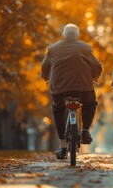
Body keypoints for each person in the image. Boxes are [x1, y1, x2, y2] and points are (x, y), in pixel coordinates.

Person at [41, 23, 102, 159]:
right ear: (77, 36)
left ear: (63, 36)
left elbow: (44, 67)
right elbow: (97, 65)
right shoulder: (85, 48)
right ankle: (85, 130)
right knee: (90, 103)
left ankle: (63, 146)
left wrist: (46, 78)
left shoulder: (52, 49)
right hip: (83, 88)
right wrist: (94, 78)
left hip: (59, 89)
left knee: (58, 109)